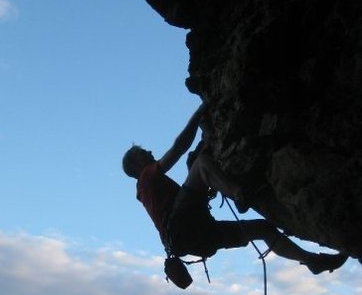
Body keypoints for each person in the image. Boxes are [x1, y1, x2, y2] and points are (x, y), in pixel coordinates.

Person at [122, 104, 347, 279]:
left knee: (263, 229)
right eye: (142, 152)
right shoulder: (147, 177)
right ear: (135, 165)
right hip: (183, 228)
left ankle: (311, 261)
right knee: (201, 164)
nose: (149, 151)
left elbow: (189, 193)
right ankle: (240, 192)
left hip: (195, 239)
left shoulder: (151, 189)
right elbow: (179, 147)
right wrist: (200, 113)